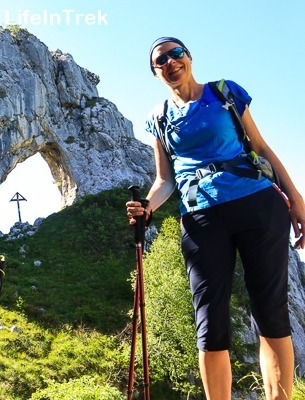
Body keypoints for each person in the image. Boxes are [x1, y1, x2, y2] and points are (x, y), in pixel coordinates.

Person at [125, 37, 305, 400]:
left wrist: (297, 200)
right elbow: (166, 179)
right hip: (201, 217)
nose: (171, 62)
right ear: (155, 72)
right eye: (161, 60)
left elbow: (261, 146)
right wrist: (147, 206)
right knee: (209, 322)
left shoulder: (225, 92)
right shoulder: (158, 118)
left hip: (257, 203)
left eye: (176, 54)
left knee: (270, 312)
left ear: (189, 58)